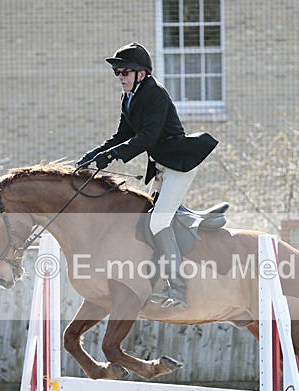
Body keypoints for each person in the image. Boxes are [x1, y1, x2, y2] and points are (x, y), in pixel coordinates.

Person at [77, 42, 218, 310]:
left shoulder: (155, 95)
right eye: (117, 72)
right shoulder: (129, 97)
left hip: (177, 165)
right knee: (147, 219)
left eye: (124, 72)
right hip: (161, 165)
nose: (120, 77)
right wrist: (92, 155)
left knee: (157, 223)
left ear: (141, 73)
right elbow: (121, 136)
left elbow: (146, 138)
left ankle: (179, 290)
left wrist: (110, 157)